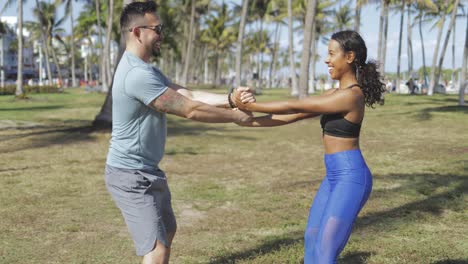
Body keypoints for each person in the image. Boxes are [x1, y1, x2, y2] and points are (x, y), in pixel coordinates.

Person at [104, 2, 254, 264]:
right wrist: (235, 117)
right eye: (157, 29)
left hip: (148, 170)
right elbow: (190, 110)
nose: (162, 34)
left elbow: (190, 94)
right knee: (157, 247)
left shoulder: (148, 70)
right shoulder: (136, 75)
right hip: (130, 176)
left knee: (168, 231)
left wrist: (230, 98)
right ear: (138, 31)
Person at [234, 30, 386, 263]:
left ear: (350, 57)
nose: (327, 59)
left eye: (332, 54)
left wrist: (253, 104)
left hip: (352, 177)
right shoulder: (333, 94)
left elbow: (294, 103)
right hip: (334, 175)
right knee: (312, 238)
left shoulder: (352, 96)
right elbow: (294, 114)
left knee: (325, 250)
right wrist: (248, 121)